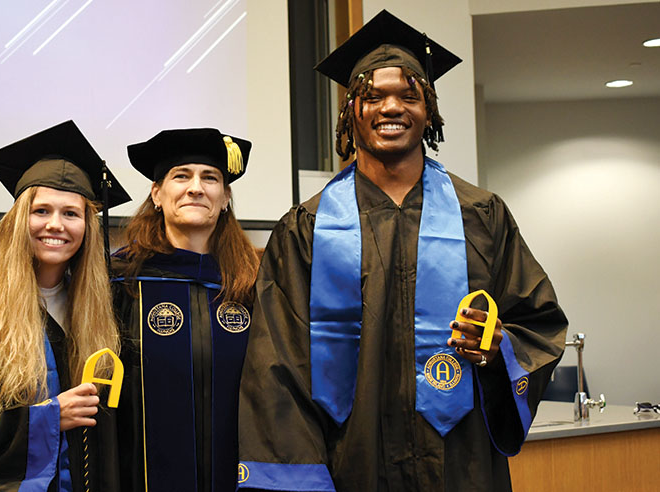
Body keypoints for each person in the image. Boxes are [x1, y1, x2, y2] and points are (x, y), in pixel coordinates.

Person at [237, 10, 568, 492]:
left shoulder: (482, 215)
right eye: (372, 96)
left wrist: (500, 350)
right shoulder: (305, 229)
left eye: (408, 96)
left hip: (460, 465)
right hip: (348, 465)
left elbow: (539, 323)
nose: (390, 107)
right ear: (351, 110)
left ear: (428, 111)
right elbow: (277, 368)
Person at [0, 121, 131, 492]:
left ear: (87, 226)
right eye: (41, 211)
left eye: (70, 213)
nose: (55, 225)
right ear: (19, 222)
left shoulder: (105, 315)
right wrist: (48, 420)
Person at [111, 128, 261, 492]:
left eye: (210, 178)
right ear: (157, 194)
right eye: (182, 176)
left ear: (225, 198)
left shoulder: (255, 284)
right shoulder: (120, 280)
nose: (196, 187)